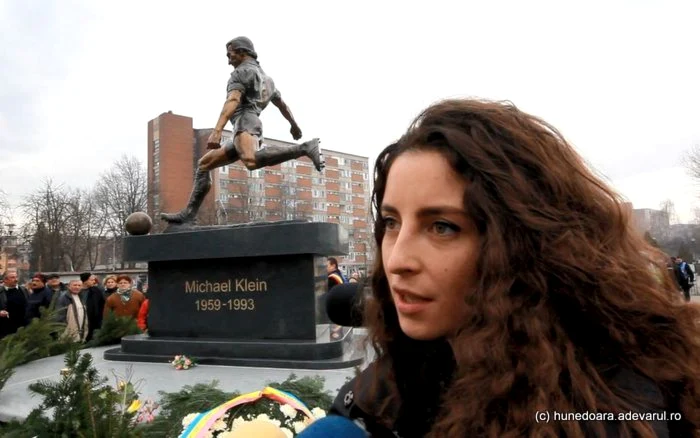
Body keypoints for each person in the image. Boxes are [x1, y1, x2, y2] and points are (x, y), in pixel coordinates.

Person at [329, 99, 700, 437]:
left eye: (442, 227)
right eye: (392, 223)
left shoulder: (609, 412)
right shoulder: (379, 394)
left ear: (523, 246)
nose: (396, 260)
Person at [160, 36, 325, 225]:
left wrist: (217, 130)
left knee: (251, 160)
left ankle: (305, 148)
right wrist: (294, 125)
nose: (228, 59)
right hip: (250, 125)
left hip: (245, 122)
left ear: (242, 52)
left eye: (230, 54)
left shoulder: (240, 73)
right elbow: (282, 105)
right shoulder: (267, 80)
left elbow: (233, 101)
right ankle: (189, 214)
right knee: (204, 164)